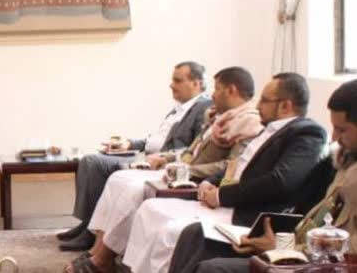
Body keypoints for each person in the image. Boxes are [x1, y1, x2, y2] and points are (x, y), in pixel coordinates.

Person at [118, 72, 327, 273]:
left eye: (264, 100)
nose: (257, 105)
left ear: (285, 106)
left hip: (248, 214)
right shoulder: (269, 129)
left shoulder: (307, 133)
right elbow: (238, 165)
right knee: (150, 209)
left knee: (173, 231)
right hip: (228, 200)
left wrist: (221, 195)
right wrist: (211, 181)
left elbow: (281, 181)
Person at [66, 66, 262, 272]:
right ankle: (98, 252)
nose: (212, 94)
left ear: (231, 90)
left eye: (217, 89)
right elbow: (191, 150)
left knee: (134, 190)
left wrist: (186, 170)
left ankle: (105, 258)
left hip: (195, 180)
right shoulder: (219, 118)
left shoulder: (248, 122)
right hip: (182, 169)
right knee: (118, 179)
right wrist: (170, 159)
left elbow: (231, 166)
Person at [168, 78, 357, 273]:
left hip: (315, 261)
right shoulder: (346, 160)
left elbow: (351, 253)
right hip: (299, 249)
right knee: (195, 235)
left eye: (342, 129)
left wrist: (283, 248)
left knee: (212, 269)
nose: (334, 137)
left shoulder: (308, 134)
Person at [59, 61, 213, 251]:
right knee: (89, 161)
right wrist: (129, 144)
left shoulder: (203, 107)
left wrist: (165, 158)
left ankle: (89, 232)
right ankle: (87, 224)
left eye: (178, 80)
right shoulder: (179, 108)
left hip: (158, 161)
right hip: (146, 154)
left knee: (93, 163)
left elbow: (194, 147)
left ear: (196, 83)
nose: (171, 85)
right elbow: (156, 138)